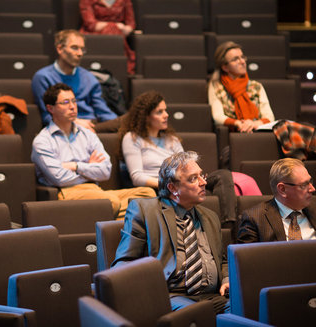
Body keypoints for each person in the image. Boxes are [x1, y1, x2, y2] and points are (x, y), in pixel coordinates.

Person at [118, 91, 261, 226]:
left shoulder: (171, 139)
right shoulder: (132, 138)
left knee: (223, 175)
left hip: (184, 181)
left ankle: (228, 225)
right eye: (159, 112)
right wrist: (173, 184)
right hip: (162, 187)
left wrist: (191, 181)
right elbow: (137, 177)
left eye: (165, 110)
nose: (166, 115)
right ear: (146, 116)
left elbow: (187, 165)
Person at [112, 151, 229, 314]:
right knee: (198, 313)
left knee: (244, 308)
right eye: (194, 178)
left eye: (202, 175)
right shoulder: (145, 210)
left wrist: (226, 278)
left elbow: (221, 259)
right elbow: (124, 261)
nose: (203, 182)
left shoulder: (210, 217)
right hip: (171, 295)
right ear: (173, 188)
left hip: (212, 296)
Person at [31, 83, 155, 219]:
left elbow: (105, 171)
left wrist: (76, 166)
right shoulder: (43, 140)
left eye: (73, 101)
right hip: (67, 193)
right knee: (110, 202)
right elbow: (60, 178)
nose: (72, 106)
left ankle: (113, 228)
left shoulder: (88, 134)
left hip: (96, 190)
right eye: (65, 102)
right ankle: (117, 228)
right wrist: (90, 169)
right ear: (50, 108)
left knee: (147, 194)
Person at [32, 29, 120, 132]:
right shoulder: (43, 77)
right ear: (60, 49)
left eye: (82, 49)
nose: (80, 53)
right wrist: (74, 122)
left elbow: (102, 111)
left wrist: (118, 123)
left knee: (127, 123)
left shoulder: (88, 77)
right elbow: (47, 115)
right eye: (74, 48)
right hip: (63, 126)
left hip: (92, 125)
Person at [237, 158, 316, 243]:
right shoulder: (254, 219)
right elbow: (247, 261)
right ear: (282, 189)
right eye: (304, 185)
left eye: (310, 181)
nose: (312, 189)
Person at [79, 0, 136, 75]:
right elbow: (91, 25)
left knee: (113, 30)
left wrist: (122, 29)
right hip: (94, 37)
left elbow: (131, 24)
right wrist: (117, 26)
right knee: (112, 29)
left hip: (120, 37)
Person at [208, 41, 275, 133]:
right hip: (234, 135)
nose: (242, 62)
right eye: (235, 59)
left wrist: (253, 124)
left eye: (242, 57)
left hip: (257, 132)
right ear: (225, 67)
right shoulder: (216, 87)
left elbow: (269, 116)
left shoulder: (256, 86)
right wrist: (238, 123)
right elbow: (217, 116)